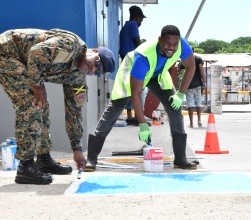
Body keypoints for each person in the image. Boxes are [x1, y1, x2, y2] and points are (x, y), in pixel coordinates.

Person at [0, 28, 115, 184]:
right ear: (93, 51)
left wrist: (77, 149)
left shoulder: (78, 78)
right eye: (97, 63)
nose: (93, 69)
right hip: (7, 52)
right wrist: (37, 84)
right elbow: (35, 52)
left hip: (24, 63)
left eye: (98, 72)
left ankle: (43, 159)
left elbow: (74, 112)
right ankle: (25, 168)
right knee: (31, 103)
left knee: (42, 105)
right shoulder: (70, 45)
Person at [86, 25, 197, 171]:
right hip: (133, 73)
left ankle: (180, 159)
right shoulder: (143, 56)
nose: (171, 48)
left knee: (174, 107)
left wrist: (180, 94)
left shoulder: (182, 46)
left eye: (175, 44)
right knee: (116, 108)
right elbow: (136, 93)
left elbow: (191, 67)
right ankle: (91, 158)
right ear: (159, 40)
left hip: (157, 74)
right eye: (167, 44)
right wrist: (143, 124)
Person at [119, 5, 147, 126]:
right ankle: (137, 117)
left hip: (124, 61)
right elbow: (138, 43)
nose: (141, 22)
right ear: (136, 17)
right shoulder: (133, 25)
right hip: (132, 61)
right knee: (137, 89)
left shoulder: (124, 27)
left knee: (128, 89)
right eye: (141, 19)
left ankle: (130, 116)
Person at [178, 47, 206, 128]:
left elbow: (178, 70)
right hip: (198, 84)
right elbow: (201, 70)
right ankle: (199, 121)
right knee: (198, 103)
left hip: (188, 85)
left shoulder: (184, 60)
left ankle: (191, 123)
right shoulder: (198, 58)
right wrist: (204, 80)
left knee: (190, 104)